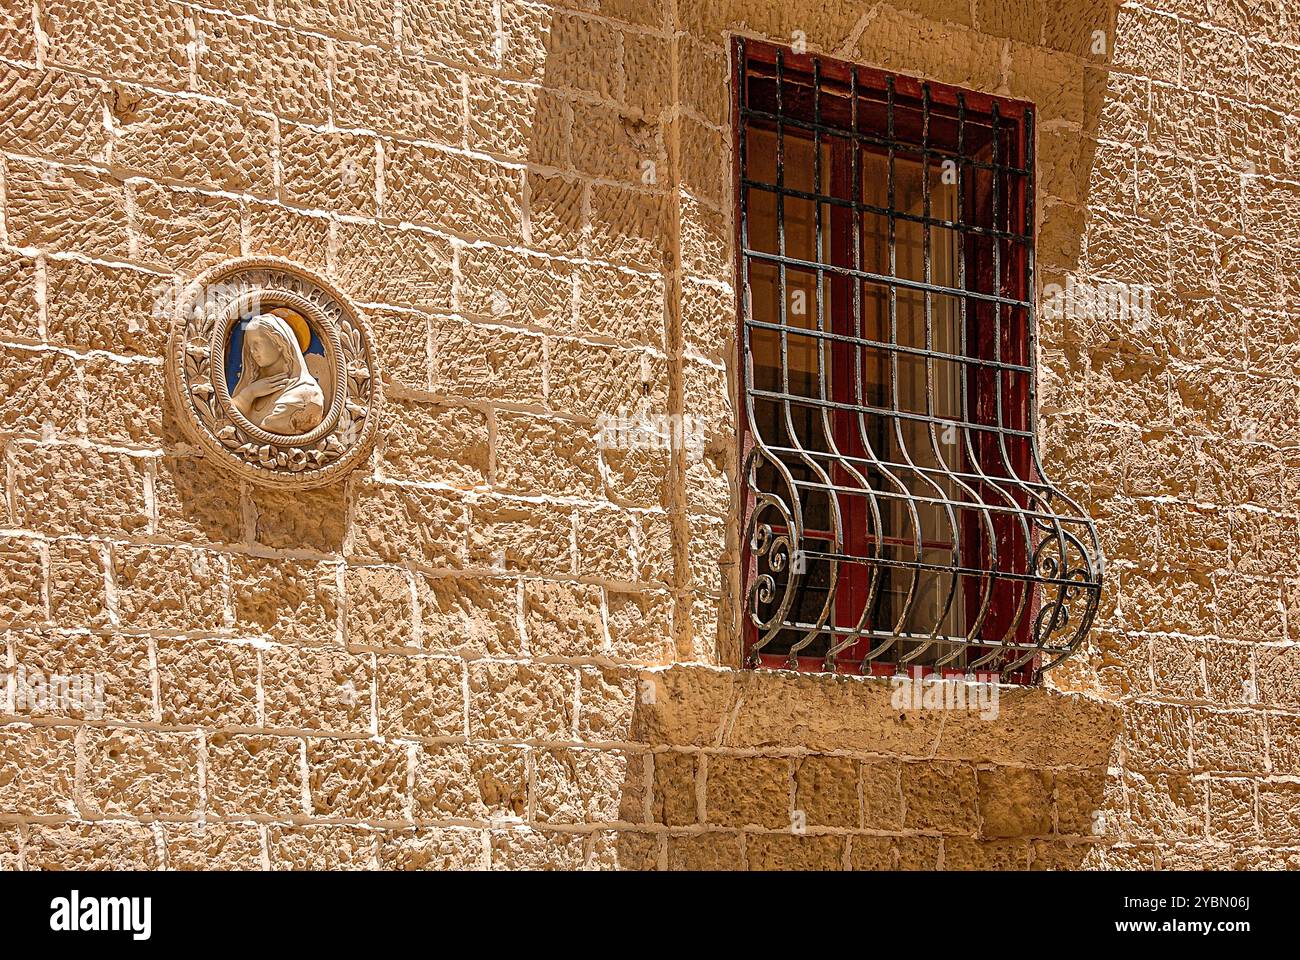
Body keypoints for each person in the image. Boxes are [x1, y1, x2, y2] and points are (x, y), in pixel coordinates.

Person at [230, 313, 325, 434]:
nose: (253, 351)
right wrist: (250, 393)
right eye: (249, 346)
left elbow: (260, 429)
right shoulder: (255, 387)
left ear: (280, 343)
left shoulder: (306, 393)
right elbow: (225, 421)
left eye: (257, 343)